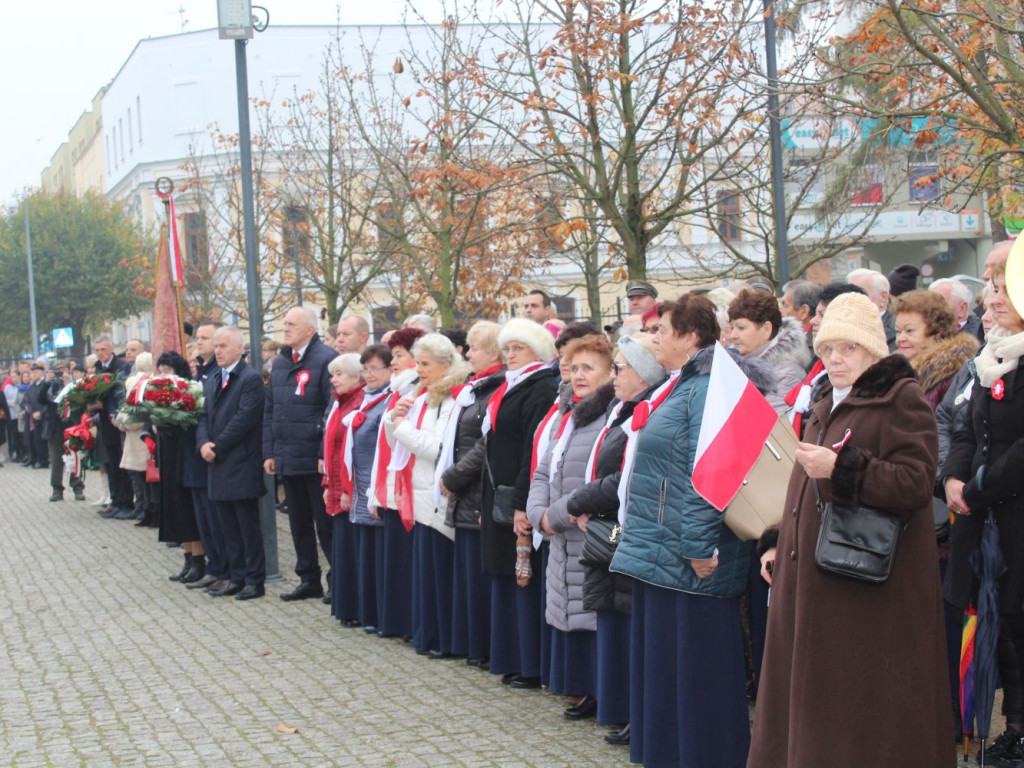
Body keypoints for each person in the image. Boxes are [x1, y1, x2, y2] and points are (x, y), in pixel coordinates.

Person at [750, 292, 953, 768]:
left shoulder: (900, 399)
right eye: (827, 348)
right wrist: (777, 540)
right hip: (814, 582)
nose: (835, 358)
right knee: (809, 711)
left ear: (872, 350)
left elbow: (916, 483)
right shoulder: (827, 399)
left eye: (848, 348)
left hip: (866, 593)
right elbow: (803, 488)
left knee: (857, 720)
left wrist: (842, 468)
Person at [609, 294, 754, 768]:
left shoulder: (708, 388)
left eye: (661, 330)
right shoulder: (682, 384)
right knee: (667, 667)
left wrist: (697, 546)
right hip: (662, 550)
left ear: (690, 338)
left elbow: (709, 473)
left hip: (689, 557)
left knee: (697, 669)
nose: (652, 338)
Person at [567, 334, 666, 746]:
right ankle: (621, 707)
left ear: (643, 374)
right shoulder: (620, 409)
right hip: (607, 529)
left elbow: (624, 477)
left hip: (625, 529)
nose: (614, 376)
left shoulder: (646, 412)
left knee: (627, 622)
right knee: (612, 617)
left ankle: (633, 712)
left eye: (621, 368)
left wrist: (579, 500)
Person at [944, 258, 1024, 765]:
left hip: (1014, 518)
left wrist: (977, 489)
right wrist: (952, 478)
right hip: (983, 524)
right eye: (992, 290)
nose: (992, 299)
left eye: (1004, 291)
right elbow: (964, 428)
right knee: (1002, 632)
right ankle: (1013, 729)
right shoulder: (987, 357)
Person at [528, 333, 617, 720]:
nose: (578, 375)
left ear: (610, 373)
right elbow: (543, 471)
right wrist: (539, 514)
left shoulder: (610, 416)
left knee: (591, 612)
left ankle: (601, 690)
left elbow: (602, 481)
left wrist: (557, 515)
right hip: (560, 534)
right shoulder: (569, 416)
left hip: (587, 531)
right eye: (574, 367)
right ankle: (580, 686)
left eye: (588, 368)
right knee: (568, 607)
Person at [482, 318, 559, 688]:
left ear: (537, 351)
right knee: (505, 575)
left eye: (519, 348)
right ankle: (510, 657)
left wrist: (522, 503)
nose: (510, 355)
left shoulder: (540, 387)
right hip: (499, 492)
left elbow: (533, 448)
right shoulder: (510, 385)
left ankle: (529, 663)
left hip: (517, 493)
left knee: (523, 576)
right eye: (507, 348)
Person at [384, 334, 469, 657]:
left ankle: (440, 639)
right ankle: (426, 635)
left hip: (437, 498)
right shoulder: (423, 395)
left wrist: (402, 426)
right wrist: (394, 420)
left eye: (425, 363)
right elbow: (398, 448)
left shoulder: (451, 398)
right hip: (420, 496)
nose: (418, 369)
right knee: (425, 575)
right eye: (417, 363)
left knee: (439, 575)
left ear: (446, 365)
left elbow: (438, 449)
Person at [438, 321, 505, 667]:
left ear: (494, 352)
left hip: (476, 492)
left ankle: (484, 647)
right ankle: (472, 644)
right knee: (468, 576)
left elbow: (484, 443)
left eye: (474, 348)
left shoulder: (495, 389)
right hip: (465, 495)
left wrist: (454, 475)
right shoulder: (475, 388)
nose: (467, 353)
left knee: (479, 578)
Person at [263, 306, 338, 602]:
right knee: (298, 524)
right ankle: (308, 579)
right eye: (284, 323)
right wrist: (270, 452)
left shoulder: (326, 359)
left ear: (309, 329)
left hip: (313, 458)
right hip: (287, 455)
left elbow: (331, 411)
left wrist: (322, 452)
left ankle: (337, 580)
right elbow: (271, 409)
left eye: (292, 324)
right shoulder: (281, 362)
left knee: (325, 524)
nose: (286, 328)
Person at [197, 326, 267, 600]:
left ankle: (254, 579)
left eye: (223, 346)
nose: (218, 351)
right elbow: (203, 415)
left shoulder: (250, 379)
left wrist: (217, 446)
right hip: (216, 462)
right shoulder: (214, 378)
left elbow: (244, 419)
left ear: (239, 348)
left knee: (247, 526)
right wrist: (203, 443)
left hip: (240, 462)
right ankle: (235, 576)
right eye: (216, 346)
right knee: (227, 526)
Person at [370, 327, 425, 638]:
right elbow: (382, 449)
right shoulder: (396, 392)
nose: (393, 362)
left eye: (399, 355)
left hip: (408, 489)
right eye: (392, 356)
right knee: (396, 559)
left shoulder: (413, 393)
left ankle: (406, 623)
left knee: (406, 560)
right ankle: (396, 621)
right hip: (391, 487)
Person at [348, 344, 394, 632]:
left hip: (376, 490)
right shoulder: (366, 398)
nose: (369, 374)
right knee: (366, 557)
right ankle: (368, 613)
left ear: (390, 370)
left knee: (380, 559)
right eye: (365, 369)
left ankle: (381, 617)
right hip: (360, 487)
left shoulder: (388, 401)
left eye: (375, 368)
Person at [182, 321, 231, 593]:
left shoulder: (217, 372)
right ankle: (215, 566)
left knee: (216, 518)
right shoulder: (201, 370)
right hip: (197, 451)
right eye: (198, 337)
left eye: (204, 338)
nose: (198, 341)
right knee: (204, 518)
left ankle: (223, 567)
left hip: (213, 454)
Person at [153, 351, 207, 584]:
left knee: (187, 507)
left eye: (168, 370)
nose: (164, 375)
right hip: (168, 452)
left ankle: (198, 559)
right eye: (161, 371)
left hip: (184, 452)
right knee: (175, 506)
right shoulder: (159, 391)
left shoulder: (189, 390)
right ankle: (187, 558)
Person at [321, 353, 365, 624]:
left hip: (350, 489)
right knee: (342, 549)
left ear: (356, 376)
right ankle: (346, 607)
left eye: (339, 374)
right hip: (337, 485)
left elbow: (353, 452)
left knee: (352, 550)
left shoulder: (358, 403)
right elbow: (331, 448)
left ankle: (356, 608)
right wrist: (328, 483)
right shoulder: (339, 402)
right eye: (332, 375)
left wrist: (347, 489)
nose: (334, 380)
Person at [728, 290, 811, 413]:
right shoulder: (734, 364)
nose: (732, 335)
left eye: (741, 328)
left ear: (766, 330)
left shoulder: (787, 373)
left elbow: (770, 421)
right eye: (731, 328)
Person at [92, 336, 134, 518]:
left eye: (103, 349)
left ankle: (126, 502)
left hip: (118, 420)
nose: (100, 353)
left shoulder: (120, 366)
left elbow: (120, 393)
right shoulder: (98, 367)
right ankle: (115, 500)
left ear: (111, 349)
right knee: (110, 463)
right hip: (104, 421)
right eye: (97, 350)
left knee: (121, 463)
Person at [117, 354, 155, 522]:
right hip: (132, 440)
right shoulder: (135, 383)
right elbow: (127, 407)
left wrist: (124, 422)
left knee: (144, 478)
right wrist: (121, 420)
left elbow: (140, 414)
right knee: (136, 477)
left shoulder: (147, 385)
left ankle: (145, 508)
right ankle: (141, 507)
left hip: (140, 440)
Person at [846, 268, 897, 351]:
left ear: (883, 297)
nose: (852, 298)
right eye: (848, 293)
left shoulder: (896, 331)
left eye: (859, 293)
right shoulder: (843, 325)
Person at [930, 277, 984, 343]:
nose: (930, 309)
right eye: (929, 302)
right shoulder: (924, 332)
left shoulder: (982, 333)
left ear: (962, 309)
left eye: (939, 302)